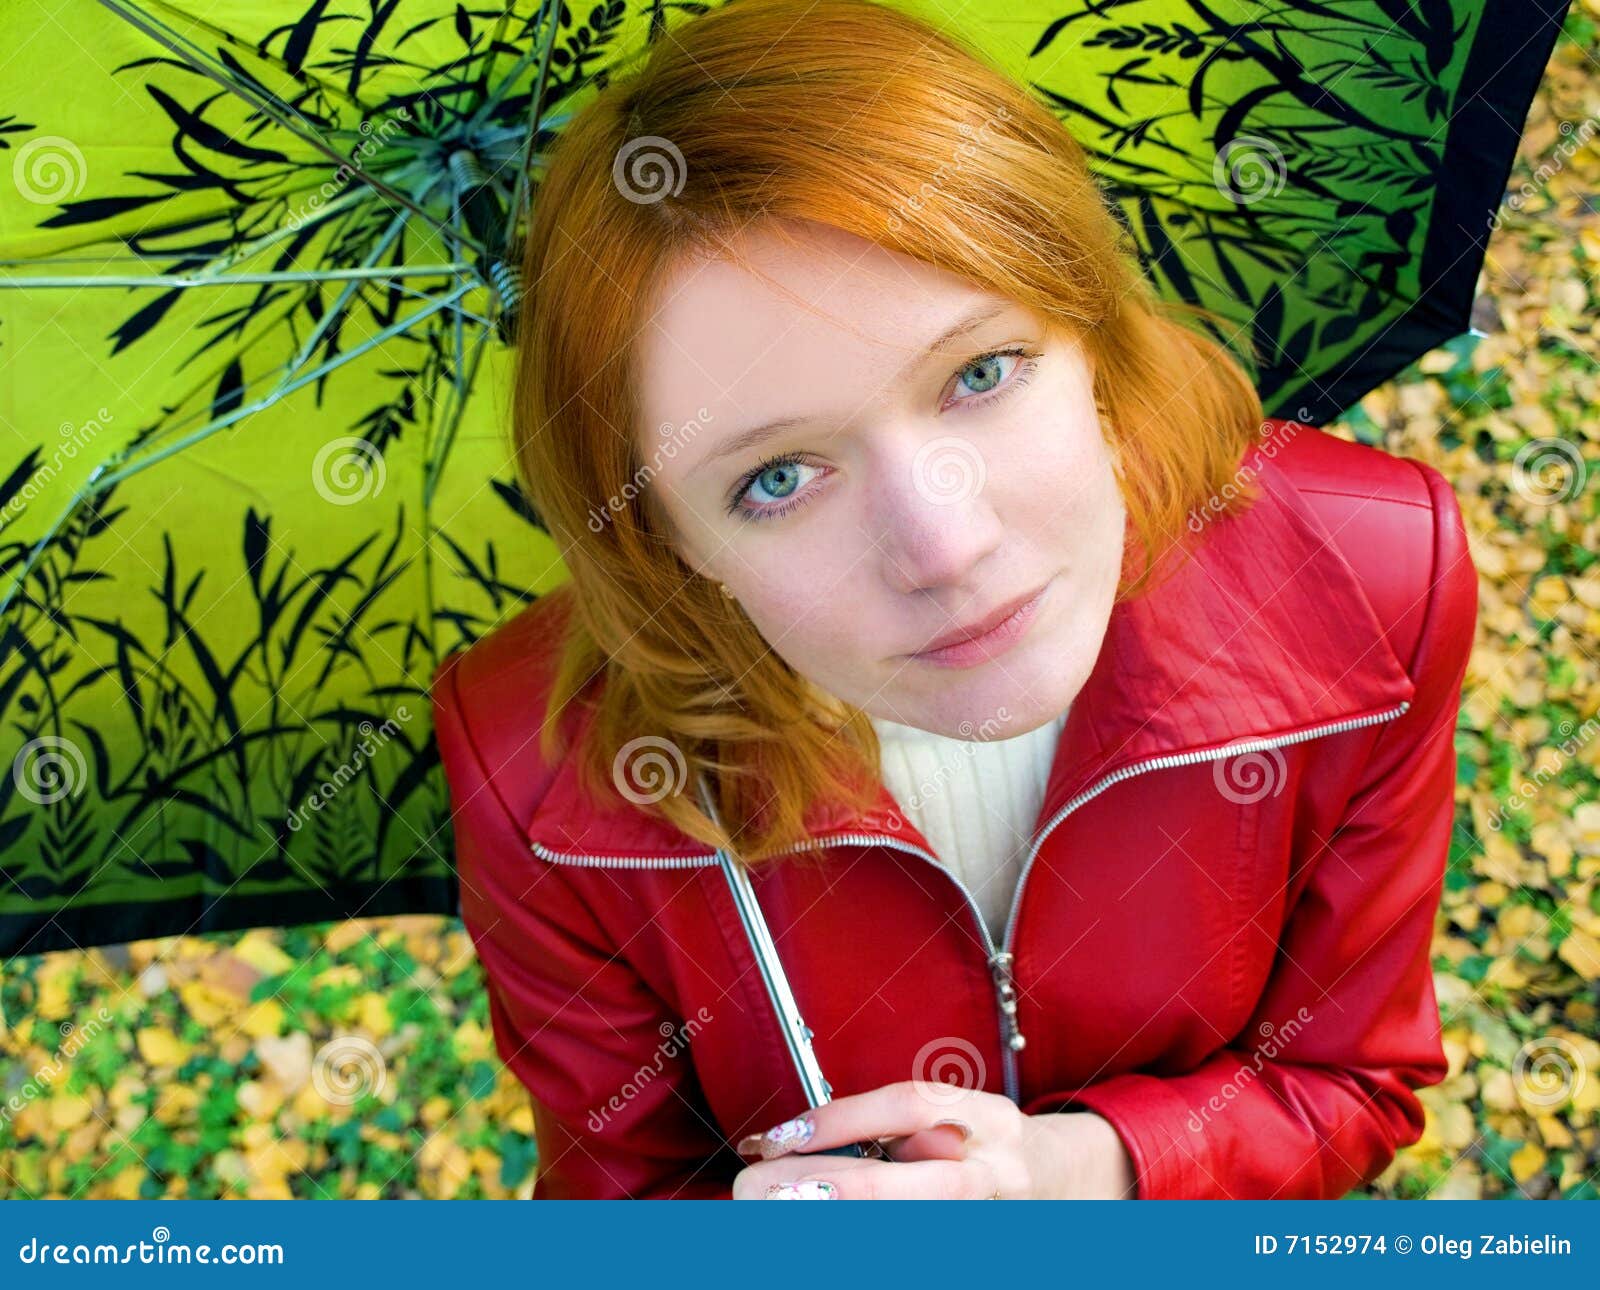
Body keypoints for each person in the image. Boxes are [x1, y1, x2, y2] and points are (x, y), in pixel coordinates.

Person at [430, 0, 1477, 1199]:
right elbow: (621, 1201)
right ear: (668, 543)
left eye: (980, 372)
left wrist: (1077, 1175)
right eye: (778, 478)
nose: (945, 545)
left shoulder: (1370, 579)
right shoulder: (539, 766)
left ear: (1092, 332)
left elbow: (1348, 1082)